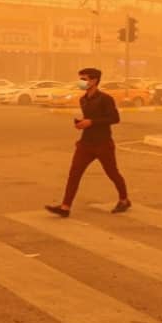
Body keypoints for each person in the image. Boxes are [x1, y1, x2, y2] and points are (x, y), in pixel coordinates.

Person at [46, 67, 130, 217]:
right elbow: (89, 119)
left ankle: (124, 200)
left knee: (112, 173)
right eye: (80, 79)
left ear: (94, 80)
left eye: (84, 79)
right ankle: (65, 207)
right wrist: (81, 124)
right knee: (74, 174)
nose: (81, 82)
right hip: (86, 143)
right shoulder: (83, 99)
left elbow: (114, 119)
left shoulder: (105, 99)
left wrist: (91, 122)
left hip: (103, 143)